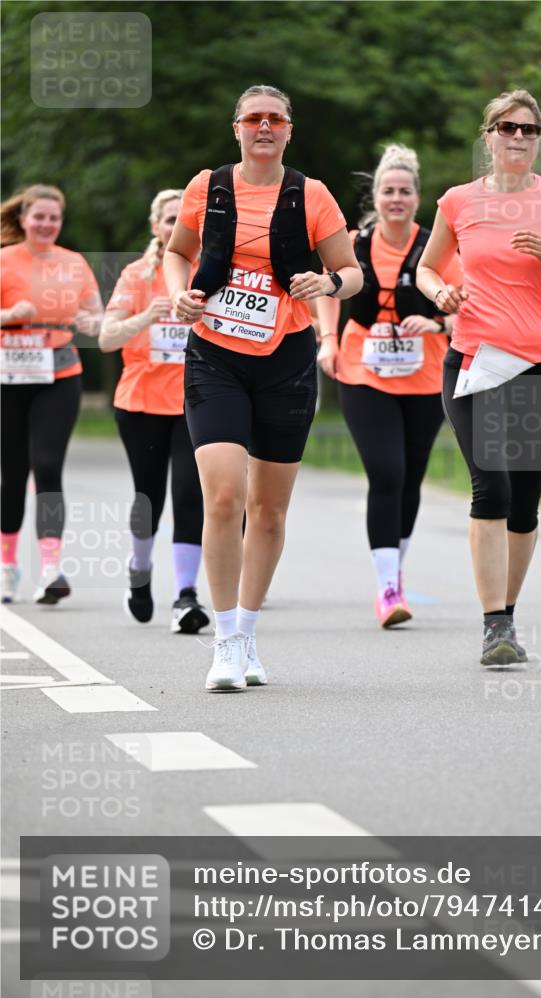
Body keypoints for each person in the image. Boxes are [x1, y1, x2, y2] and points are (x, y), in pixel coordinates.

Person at [163, 84, 362, 691]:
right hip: (216, 357)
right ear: (238, 129)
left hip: (287, 359)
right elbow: (178, 253)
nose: (264, 127)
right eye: (254, 119)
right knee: (223, 497)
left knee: (268, 509)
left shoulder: (313, 194)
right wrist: (179, 292)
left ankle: (248, 630)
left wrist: (325, 286)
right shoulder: (208, 186)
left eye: (275, 119)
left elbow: (352, 273)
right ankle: (224, 641)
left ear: (289, 130)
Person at [417, 90, 541, 665]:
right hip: (474, 360)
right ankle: (493, 626)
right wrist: (440, 291)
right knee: (491, 487)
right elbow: (427, 268)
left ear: (538, 138)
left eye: (528, 129)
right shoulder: (457, 202)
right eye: (507, 128)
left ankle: (508, 618)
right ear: (488, 138)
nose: (518, 137)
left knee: (524, 502)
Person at [318, 144, 463, 627]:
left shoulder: (436, 248)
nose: (396, 199)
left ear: (417, 198)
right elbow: (327, 287)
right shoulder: (354, 242)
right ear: (375, 196)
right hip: (364, 371)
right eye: (387, 191)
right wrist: (326, 340)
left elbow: (465, 305)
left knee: (411, 477)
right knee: (386, 473)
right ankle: (386, 589)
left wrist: (439, 326)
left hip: (425, 374)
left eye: (404, 191)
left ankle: (393, 570)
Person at [100, 190, 209, 634]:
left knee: (189, 494)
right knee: (150, 498)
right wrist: (146, 316)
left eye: (184, 221)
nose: (176, 227)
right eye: (169, 220)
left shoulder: (211, 274)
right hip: (141, 403)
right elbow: (107, 339)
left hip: (196, 402)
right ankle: (140, 572)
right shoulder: (136, 276)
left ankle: (185, 595)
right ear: (156, 227)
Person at [1, 185, 102, 605]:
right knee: (12, 472)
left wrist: (89, 320)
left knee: (47, 465)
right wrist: (7, 316)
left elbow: (98, 317)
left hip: (60, 371)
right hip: (9, 372)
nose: (45, 224)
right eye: (38, 216)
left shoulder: (73, 263)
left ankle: (50, 569)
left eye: (53, 218)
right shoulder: (4, 260)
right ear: (23, 219)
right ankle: (8, 565)